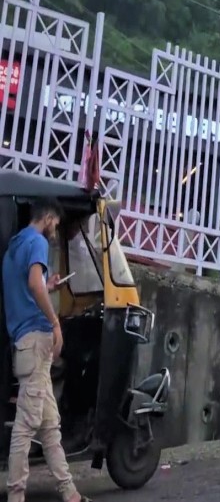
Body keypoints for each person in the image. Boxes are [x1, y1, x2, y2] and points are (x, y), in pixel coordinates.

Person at [2, 198, 92, 502]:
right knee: (26, 426)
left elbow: (30, 285)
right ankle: (16, 495)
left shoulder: (14, 247)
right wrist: (55, 323)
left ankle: (70, 492)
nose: (56, 230)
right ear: (49, 218)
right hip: (37, 339)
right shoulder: (37, 242)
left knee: (50, 425)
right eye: (56, 224)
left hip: (23, 341)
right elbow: (33, 283)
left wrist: (48, 284)